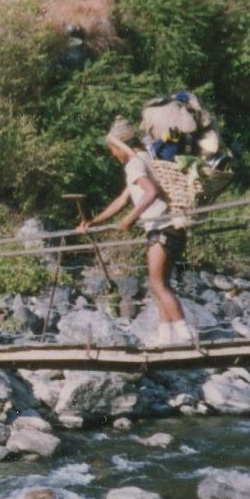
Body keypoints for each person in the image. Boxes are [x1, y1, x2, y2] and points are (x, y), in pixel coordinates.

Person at [77, 117, 196, 349]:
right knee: (159, 283)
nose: (113, 155)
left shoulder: (134, 164)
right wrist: (93, 221)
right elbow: (123, 199)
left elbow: (151, 192)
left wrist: (129, 220)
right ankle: (167, 335)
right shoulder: (144, 160)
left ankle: (185, 333)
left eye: (112, 149)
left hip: (161, 228)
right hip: (169, 228)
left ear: (120, 147)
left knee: (158, 284)